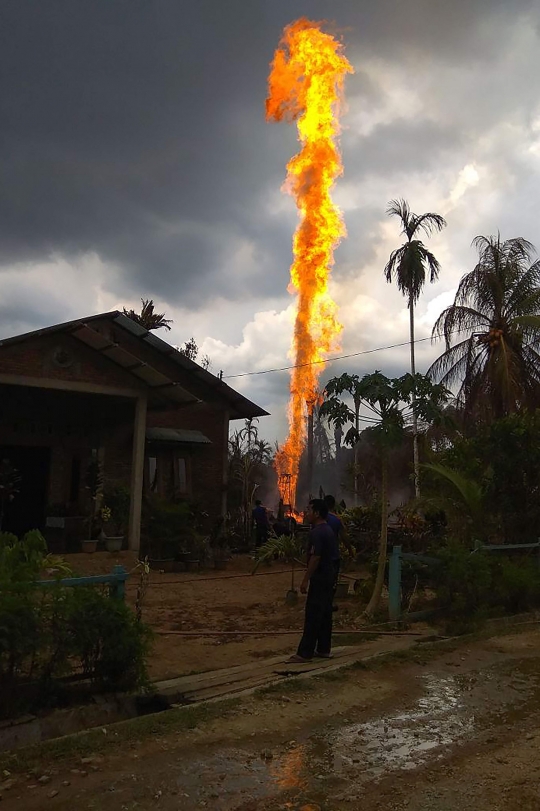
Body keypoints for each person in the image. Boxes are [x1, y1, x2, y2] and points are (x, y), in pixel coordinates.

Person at [288, 499, 340, 663]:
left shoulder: (317, 533)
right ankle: (324, 649)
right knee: (325, 613)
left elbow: (316, 557)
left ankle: (305, 653)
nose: (306, 513)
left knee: (313, 614)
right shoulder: (329, 530)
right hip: (329, 576)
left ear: (317, 513)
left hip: (319, 578)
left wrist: (305, 580)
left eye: (309, 510)